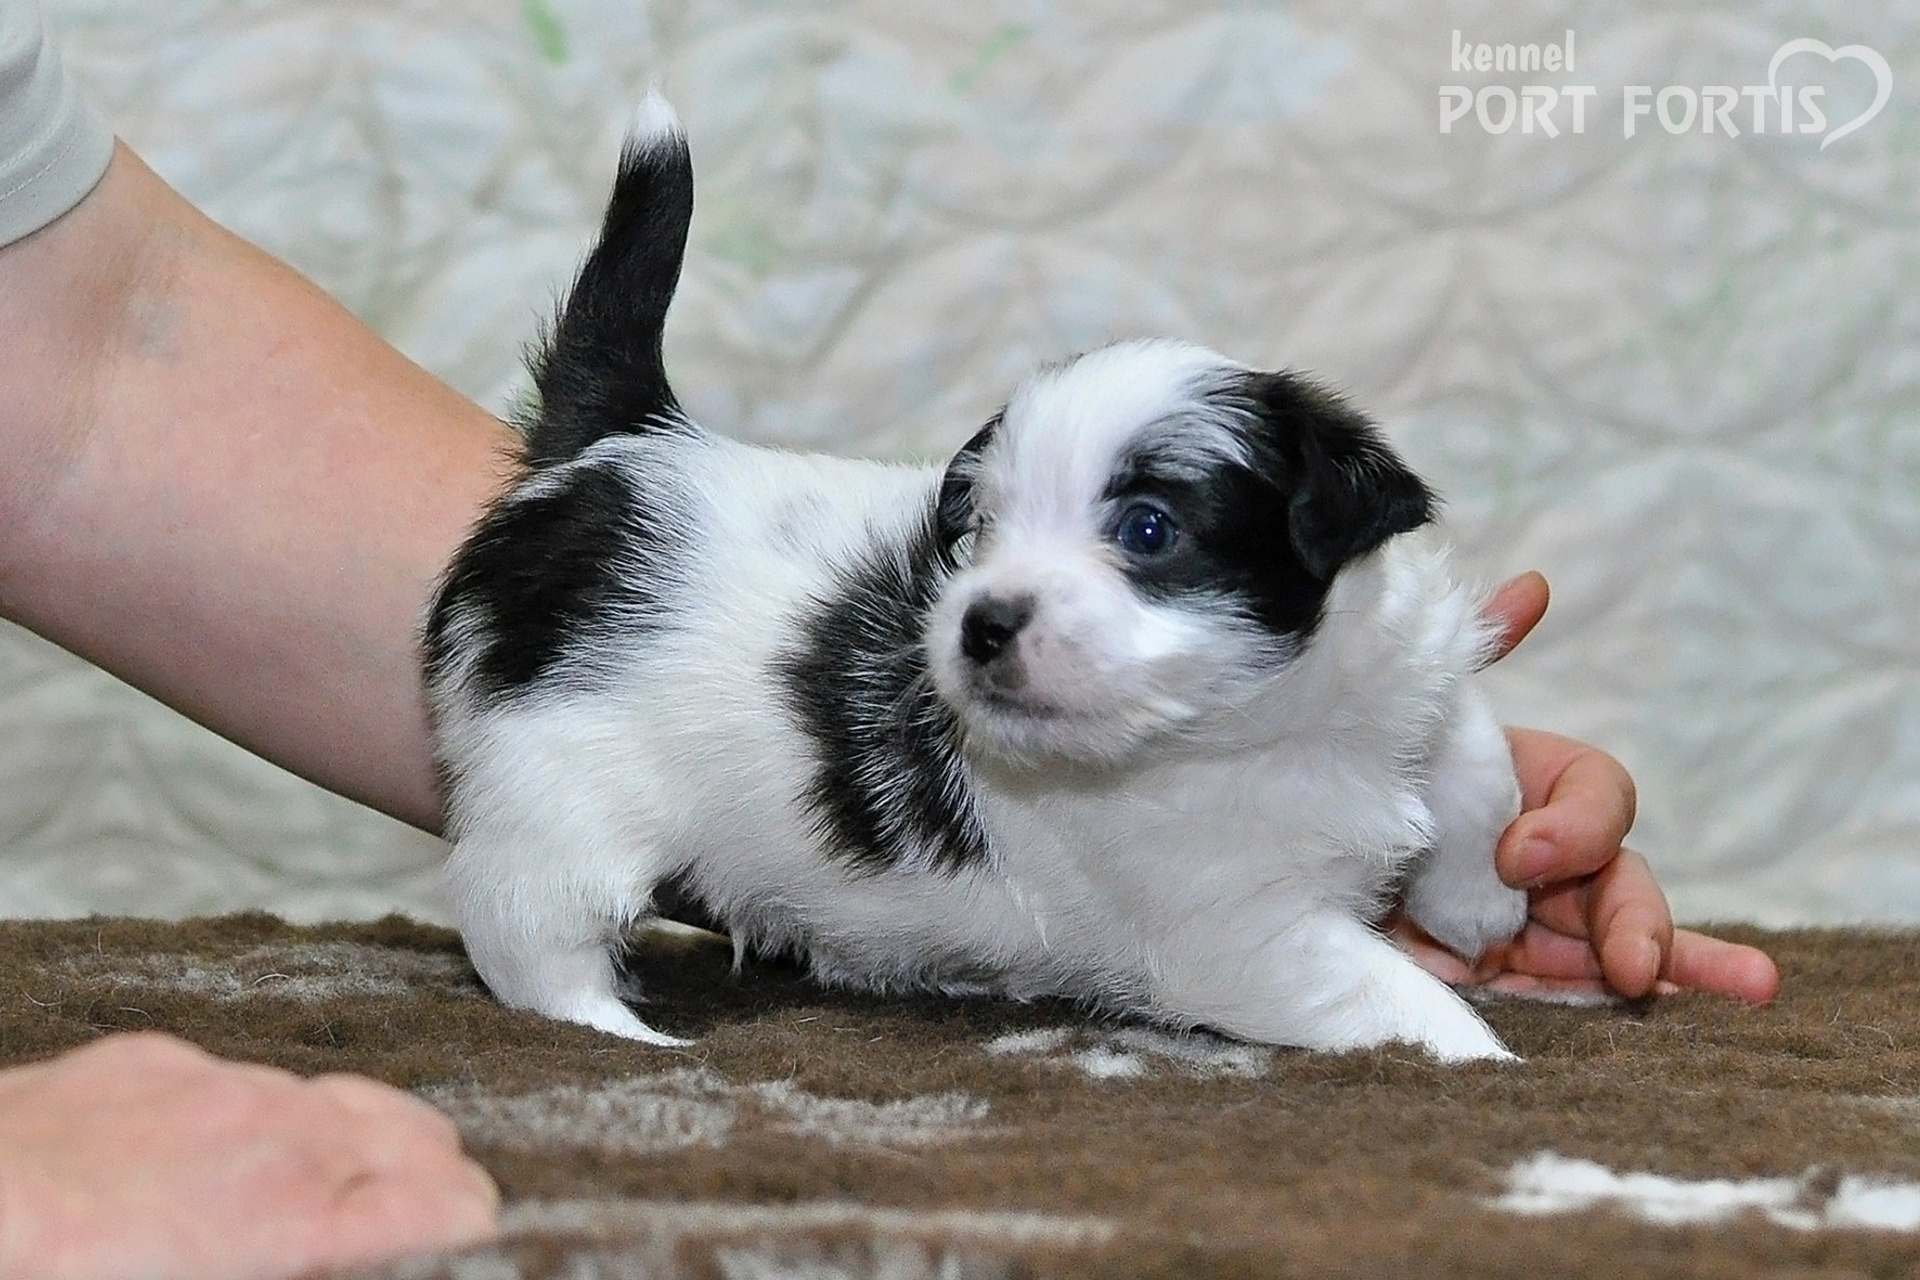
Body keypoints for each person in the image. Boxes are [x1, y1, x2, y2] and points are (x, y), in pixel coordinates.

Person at [0, 6, 1777, 1279]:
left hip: (680, 572)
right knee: (566, 816)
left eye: (1138, 537)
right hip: (638, 637)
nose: (998, 604)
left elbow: (81, 374)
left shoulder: (1355, 629)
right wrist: (1426, 1033)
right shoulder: (986, 684)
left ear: (1340, 546)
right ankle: (552, 978)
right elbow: (1233, 946)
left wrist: (1430, 827)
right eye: (979, 532)